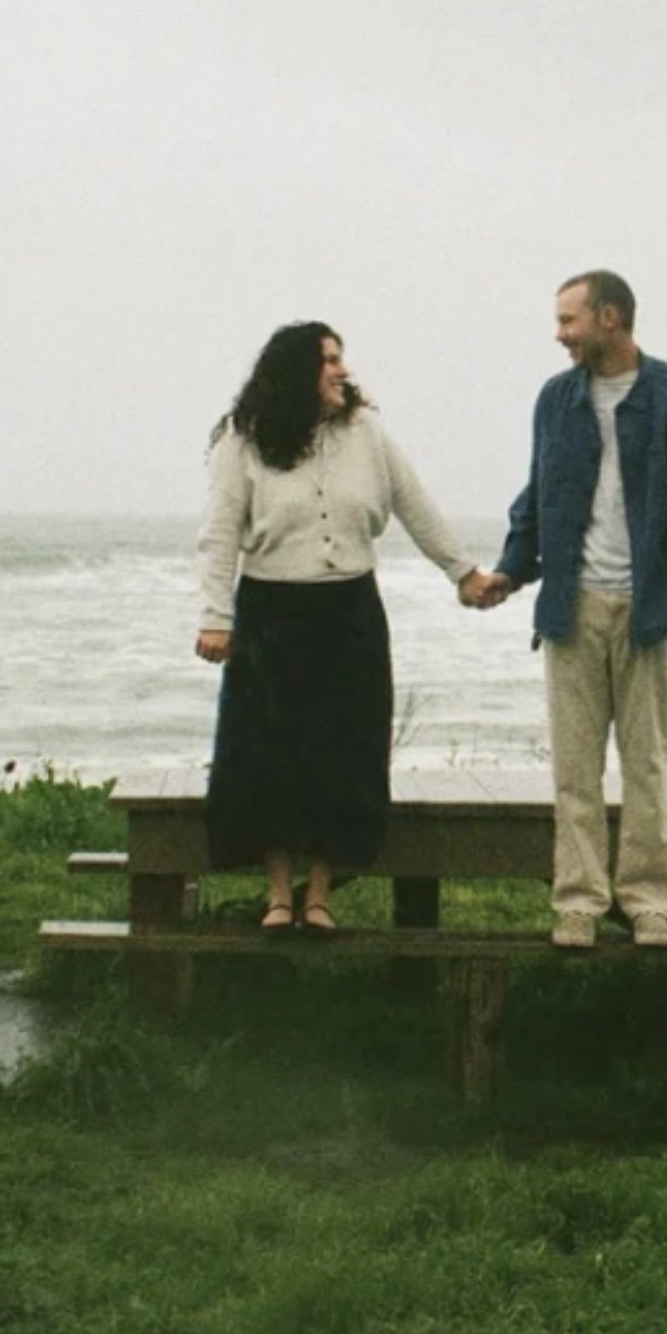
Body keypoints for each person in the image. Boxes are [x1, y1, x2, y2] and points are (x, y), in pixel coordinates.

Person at [196, 321, 487, 933]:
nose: (342, 370)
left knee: (344, 753)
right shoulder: (242, 439)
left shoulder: (367, 432)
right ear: (295, 371)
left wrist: (462, 572)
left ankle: (321, 895)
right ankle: (279, 894)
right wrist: (215, 617)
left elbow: (414, 503)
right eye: (328, 360)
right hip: (271, 614)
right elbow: (219, 533)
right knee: (271, 755)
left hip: (350, 611)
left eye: (341, 358)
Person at [473, 271, 667, 949]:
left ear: (609, 317)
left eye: (567, 320)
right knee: (574, 771)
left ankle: (649, 903)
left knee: (646, 766)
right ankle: (578, 903)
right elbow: (537, 494)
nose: (559, 335)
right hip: (570, 609)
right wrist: (512, 570)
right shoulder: (556, 400)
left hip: (646, 612)